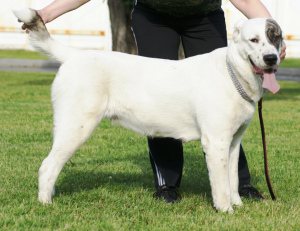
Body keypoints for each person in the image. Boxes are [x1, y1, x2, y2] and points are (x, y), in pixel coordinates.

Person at [20, 0, 286, 203]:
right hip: (153, 16)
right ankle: (167, 185)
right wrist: (48, 14)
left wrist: (273, 41)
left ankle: (239, 187)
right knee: (158, 101)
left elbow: (248, 2)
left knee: (226, 119)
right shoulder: (86, 69)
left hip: (205, 16)